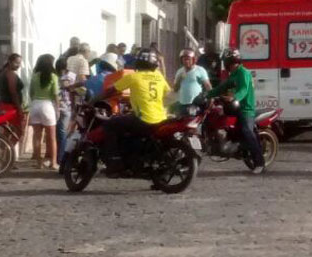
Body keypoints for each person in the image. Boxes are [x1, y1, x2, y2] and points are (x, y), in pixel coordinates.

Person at [93, 48, 171, 176]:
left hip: (143, 118)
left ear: (138, 62)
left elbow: (110, 91)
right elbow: (167, 93)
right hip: (161, 118)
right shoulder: (159, 77)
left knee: (109, 124)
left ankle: (114, 162)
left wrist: (94, 100)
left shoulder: (133, 77)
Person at [206, 48, 265, 174]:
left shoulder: (244, 73)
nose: (231, 65)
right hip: (234, 107)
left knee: (247, 132)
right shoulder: (232, 75)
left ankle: (260, 163)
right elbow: (221, 87)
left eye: (233, 62)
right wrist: (207, 94)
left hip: (246, 109)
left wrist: (234, 97)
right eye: (230, 63)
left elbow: (244, 89)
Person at [29, 54, 60, 170]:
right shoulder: (53, 76)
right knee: (51, 137)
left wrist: (34, 101)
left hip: (35, 104)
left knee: (37, 136)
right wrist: (57, 109)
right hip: (47, 105)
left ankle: (38, 162)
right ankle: (53, 162)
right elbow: (56, 95)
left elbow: (30, 93)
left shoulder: (35, 76)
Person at [0, 54, 25, 145]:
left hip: (4, 105)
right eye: (16, 62)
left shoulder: (4, 73)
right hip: (10, 107)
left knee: (7, 131)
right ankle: (7, 151)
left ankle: (4, 153)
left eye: (20, 63)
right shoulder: (10, 74)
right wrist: (19, 108)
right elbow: (13, 92)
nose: (18, 65)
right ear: (9, 62)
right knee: (18, 131)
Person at [174, 48, 212, 114]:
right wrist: (179, 79)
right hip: (182, 104)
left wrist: (210, 103)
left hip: (195, 105)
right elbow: (175, 89)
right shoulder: (179, 71)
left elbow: (208, 87)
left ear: (193, 60)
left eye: (188, 59)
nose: (186, 61)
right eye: (184, 59)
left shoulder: (200, 70)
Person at [56, 68, 76, 165]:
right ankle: (61, 158)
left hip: (60, 110)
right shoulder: (72, 75)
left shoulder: (62, 79)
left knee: (60, 135)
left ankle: (59, 157)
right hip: (66, 110)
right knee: (64, 135)